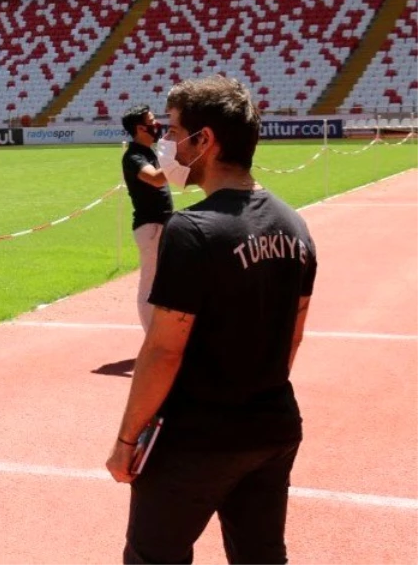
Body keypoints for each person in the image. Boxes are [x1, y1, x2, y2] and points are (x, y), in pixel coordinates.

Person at [106, 77, 317, 565]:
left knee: (153, 557)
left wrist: (125, 440)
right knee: (261, 557)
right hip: (272, 425)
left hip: (196, 436)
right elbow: (293, 338)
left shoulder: (192, 229)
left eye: (174, 129)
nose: (166, 139)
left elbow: (163, 349)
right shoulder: (294, 223)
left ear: (204, 140)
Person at [120, 105, 173, 332]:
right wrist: (178, 158)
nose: (156, 125)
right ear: (140, 128)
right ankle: (151, 336)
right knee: (150, 282)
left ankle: (162, 333)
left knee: (165, 281)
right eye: (151, 121)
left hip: (163, 224)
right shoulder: (133, 156)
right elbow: (155, 179)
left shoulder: (150, 152)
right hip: (149, 226)